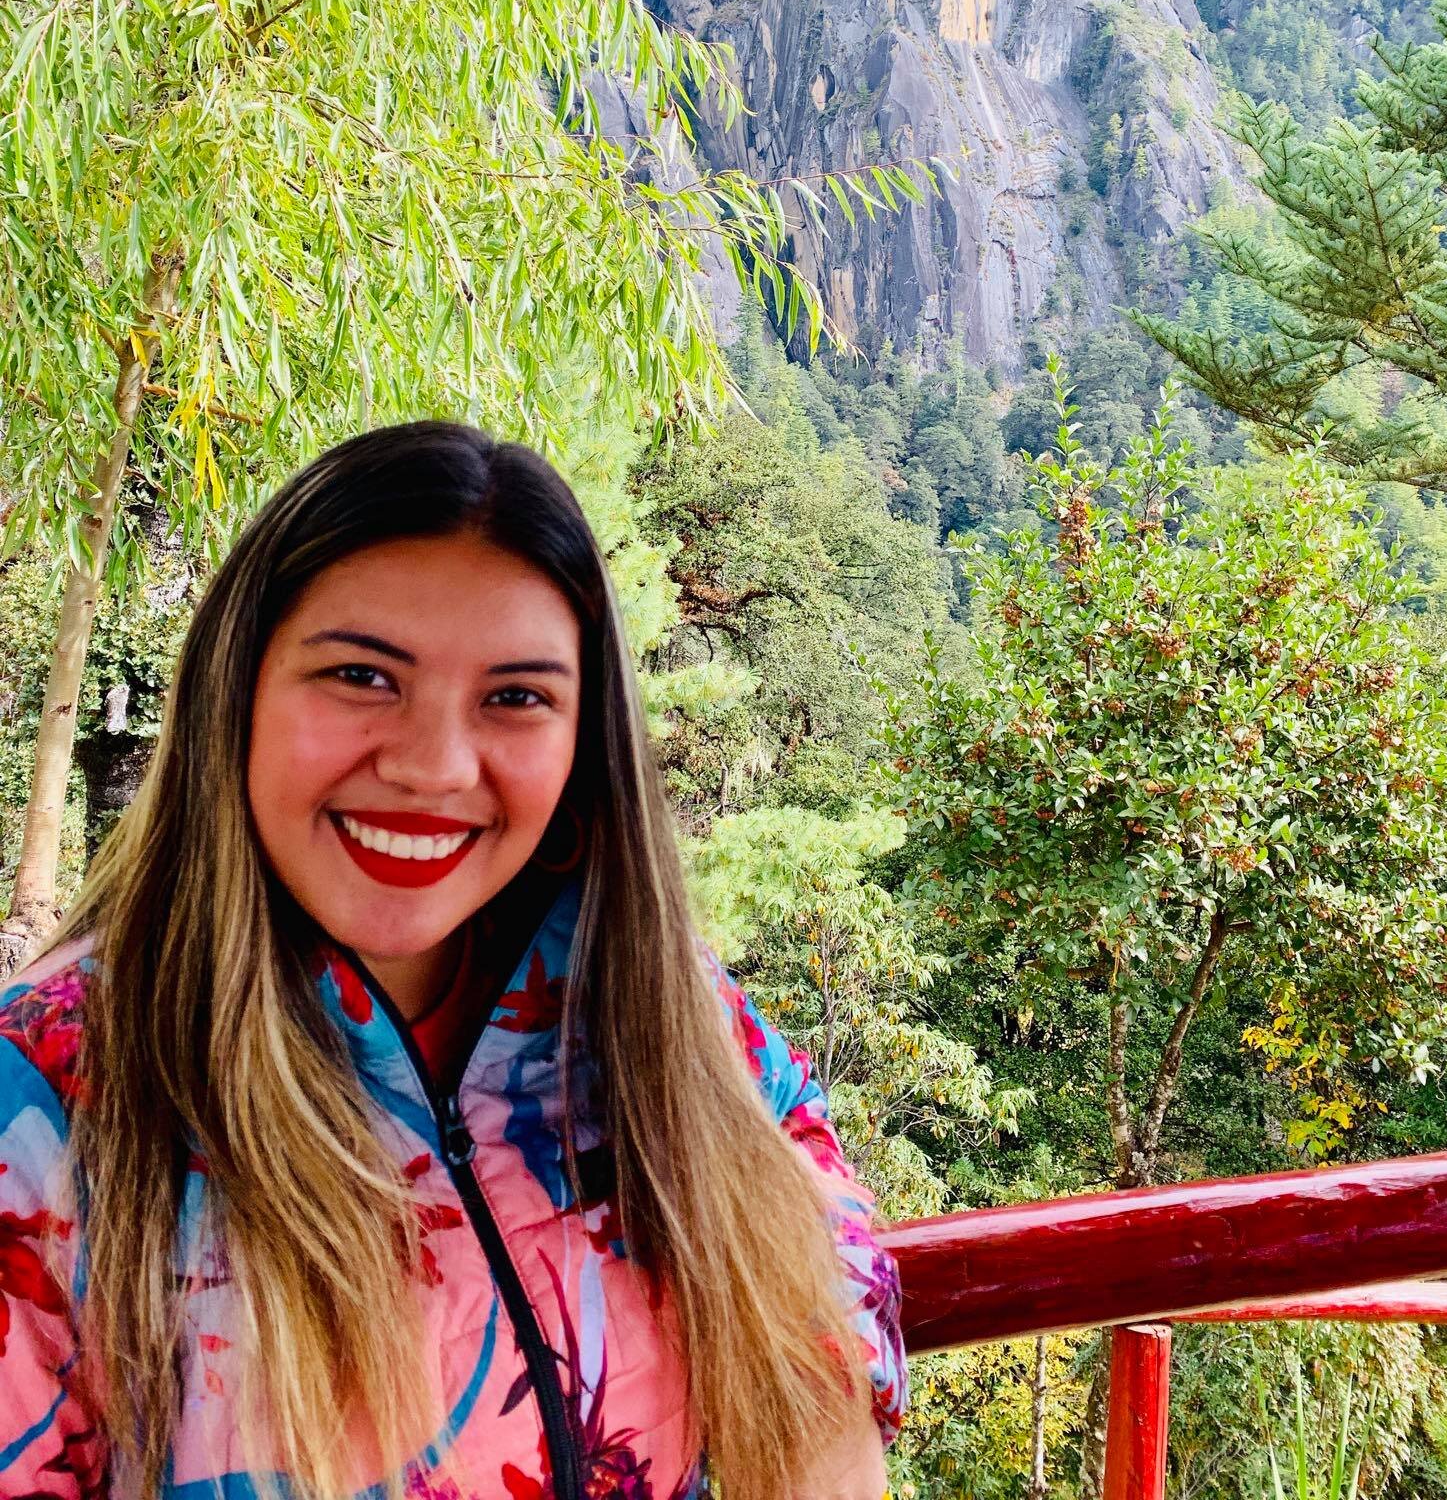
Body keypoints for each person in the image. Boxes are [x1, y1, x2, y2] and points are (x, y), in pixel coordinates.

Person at [0, 425, 905, 1500]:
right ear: (235, 691)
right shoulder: (51, 1098)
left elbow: (813, 1223)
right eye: (360, 673)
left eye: (515, 696)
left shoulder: (650, 1001)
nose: (432, 764)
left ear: (584, 742)